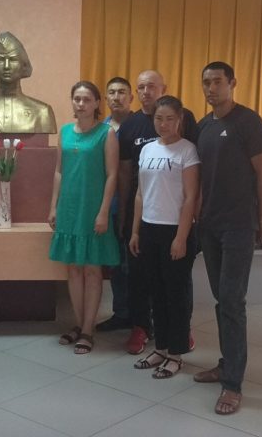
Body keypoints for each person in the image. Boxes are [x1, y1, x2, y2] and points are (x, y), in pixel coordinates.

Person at [193, 61, 262, 415]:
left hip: (239, 226)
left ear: (232, 83)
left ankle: (233, 384)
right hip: (209, 225)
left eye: (217, 82)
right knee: (221, 298)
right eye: (206, 83)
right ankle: (227, 364)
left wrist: (261, 220)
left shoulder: (249, 122)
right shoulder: (203, 126)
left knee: (231, 300)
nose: (211, 88)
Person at [117, 70, 199, 355]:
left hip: (175, 226)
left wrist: (182, 236)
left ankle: (178, 345)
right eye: (159, 119)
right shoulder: (143, 143)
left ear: (179, 120)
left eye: (169, 119)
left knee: (176, 289)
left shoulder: (187, 147)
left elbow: (191, 195)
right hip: (147, 225)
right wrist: (133, 229)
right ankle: (157, 343)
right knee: (151, 286)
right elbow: (136, 188)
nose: (163, 124)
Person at [48, 81, 120, 355]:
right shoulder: (65, 132)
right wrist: (53, 206)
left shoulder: (106, 133)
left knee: (92, 270)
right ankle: (79, 324)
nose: (81, 104)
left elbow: (112, 175)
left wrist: (104, 211)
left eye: (87, 99)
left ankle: (89, 329)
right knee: (74, 269)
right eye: (77, 99)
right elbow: (59, 171)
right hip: (68, 208)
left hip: (93, 209)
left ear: (97, 103)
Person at [96, 76, 135, 333]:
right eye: (111, 92)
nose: (116, 97)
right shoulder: (100, 129)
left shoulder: (141, 125)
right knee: (115, 264)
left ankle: (142, 318)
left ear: (131, 97)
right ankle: (121, 313)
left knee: (135, 264)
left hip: (136, 206)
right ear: (105, 99)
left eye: (122, 92)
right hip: (108, 206)